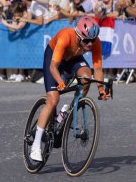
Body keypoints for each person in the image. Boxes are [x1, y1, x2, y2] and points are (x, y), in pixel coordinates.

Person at [30, 16, 110, 162]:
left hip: (73, 59)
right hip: (55, 59)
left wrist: (101, 89)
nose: (90, 44)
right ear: (78, 35)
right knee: (53, 99)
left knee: (86, 78)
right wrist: (60, 82)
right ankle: (35, 145)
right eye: (86, 41)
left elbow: (98, 69)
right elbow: (53, 67)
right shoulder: (66, 35)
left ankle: (71, 110)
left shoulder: (94, 42)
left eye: (93, 40)